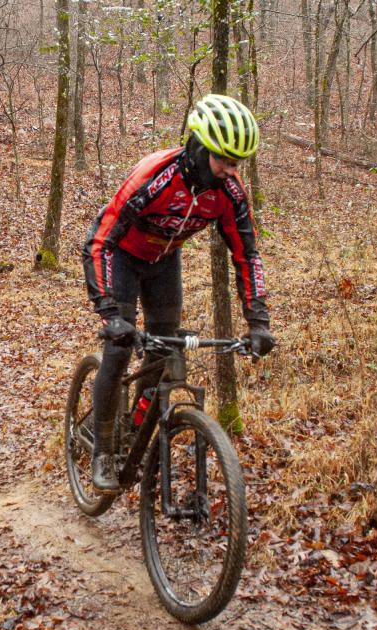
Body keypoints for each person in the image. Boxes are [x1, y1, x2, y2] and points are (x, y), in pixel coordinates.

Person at [81, 93, 275, 493]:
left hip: (164, 262)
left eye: (237, 163)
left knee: (166, 350)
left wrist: (258, 321)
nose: (229, 170)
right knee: (119, 347)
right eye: (223, 160)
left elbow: (247, 255)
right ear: (199, 146)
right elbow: (98, 242)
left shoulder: (230, 193)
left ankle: (135, 432)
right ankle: (102, 452)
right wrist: (109, 313)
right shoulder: (155, 177)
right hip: (123, 256)